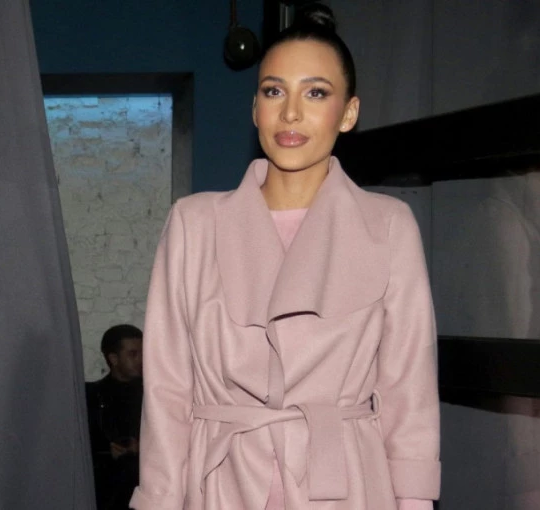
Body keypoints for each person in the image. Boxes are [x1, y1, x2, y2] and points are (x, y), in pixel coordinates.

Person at [129, 5, 440, 509]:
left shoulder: (386, 225)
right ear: (255, 108)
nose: (290, 113)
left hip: (344, 486)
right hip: (222, 484)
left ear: (349, 112)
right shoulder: (194, 223)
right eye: (274, 91)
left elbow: (409, 388)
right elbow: (167, 390)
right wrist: (159, 499)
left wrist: (415, 501)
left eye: (316, 93)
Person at [86, 324, 144, 510]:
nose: (141, 359)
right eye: (133, 354)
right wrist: (107, 451)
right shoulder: (92, 396)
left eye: (143, 352)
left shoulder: (156, 394)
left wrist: (144, 448)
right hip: (109, 493)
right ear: (113, 358)